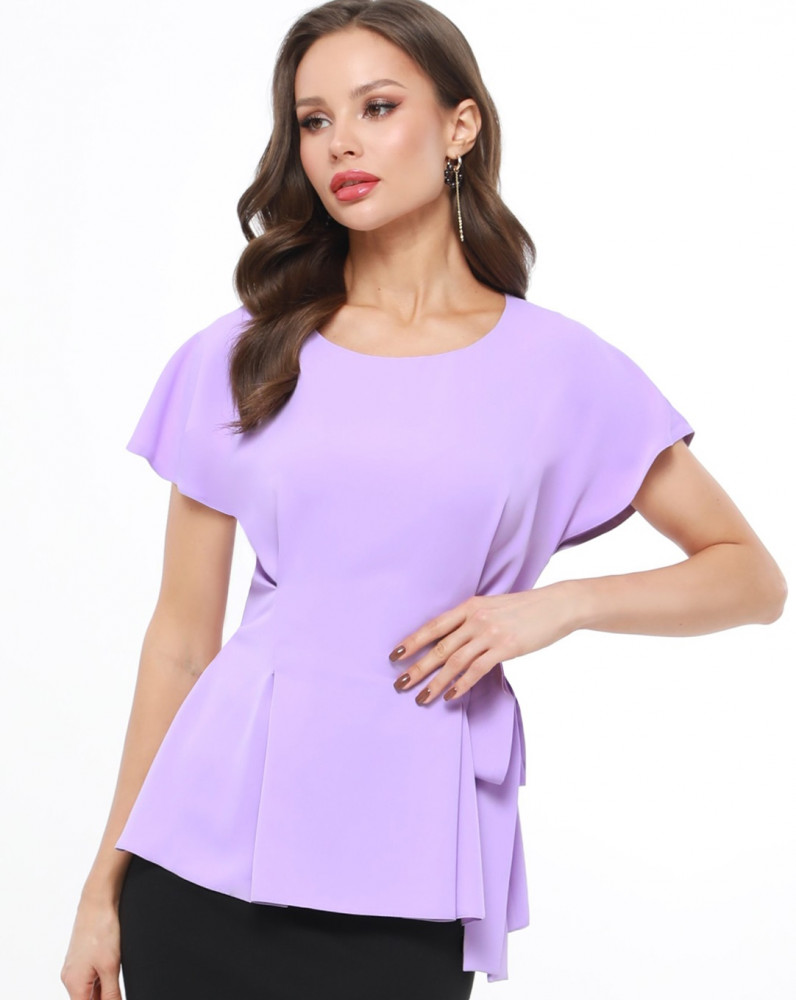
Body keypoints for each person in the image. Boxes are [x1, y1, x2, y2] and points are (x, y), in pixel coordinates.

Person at [60, 1, 788, 998]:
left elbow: (751, 578)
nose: (340, 143)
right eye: (314, 120)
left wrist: (554, 607)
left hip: (409, 863)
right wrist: (101, 887)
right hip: (201, 860)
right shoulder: (241, 353)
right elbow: (181, 642)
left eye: (377, 106)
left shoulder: (561, 370)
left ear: (460, 125)